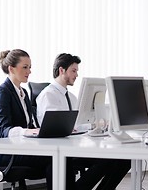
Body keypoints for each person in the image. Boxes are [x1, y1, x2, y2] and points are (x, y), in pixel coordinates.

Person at [36, 53, 131, 190]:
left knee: (123, 159)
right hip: (59, 149)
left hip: (72, 146)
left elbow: (76, 125)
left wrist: (95, 125)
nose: (76, 75)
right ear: (62, 70)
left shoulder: (72, 98)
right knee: (106, 160)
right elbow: (56, 127)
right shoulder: (48, 95)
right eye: (73, 71)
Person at [0, 49, 53, 189]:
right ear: (11, 69)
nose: (29, 71)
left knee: (59, 156)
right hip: (3, 153)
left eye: (30, 67)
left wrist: (39, 131)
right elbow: (3, 130)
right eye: (25, 67)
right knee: (55, 158)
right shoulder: (1, 92)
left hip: (20, 148)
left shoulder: (23, 92)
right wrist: (26, 132)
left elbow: (28, 125)